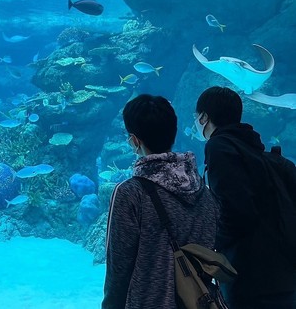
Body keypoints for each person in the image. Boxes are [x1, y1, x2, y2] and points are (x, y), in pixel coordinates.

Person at [102, 94, 218, 309]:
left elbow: (119, 267)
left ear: (134, 141)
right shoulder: (205, 191)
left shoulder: (130, 193)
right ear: (173, 133)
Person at [194, 86, 296, 309]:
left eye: (196, 117)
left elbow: (237, 211)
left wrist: (212, 247)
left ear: (203, 117)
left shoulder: (219, 146)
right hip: (283, 270)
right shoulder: (253, 149)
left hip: (251, 272)